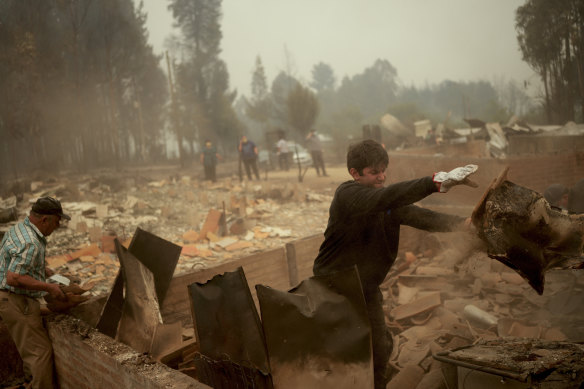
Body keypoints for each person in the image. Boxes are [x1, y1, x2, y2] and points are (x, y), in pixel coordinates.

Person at [312, 140, 478, 389]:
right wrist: (434, 182)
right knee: (341, 353)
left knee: (380, 348)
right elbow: (386, 196)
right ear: (354, 174)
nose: (382, 176)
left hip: (365, 288)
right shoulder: (347, 195)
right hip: (333, 289)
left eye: (383, 169)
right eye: (374, 172)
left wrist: (463, 225)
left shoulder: (387, 205)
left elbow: (420, 216)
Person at [0, 197, 70, 389]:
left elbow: (13, 259)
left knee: (31, 351)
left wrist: (42, 269)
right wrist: (49, 287)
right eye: (56, 222)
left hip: (8, 297)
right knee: (40, 353)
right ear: (44, 220)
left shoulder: (20, 229)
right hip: (15, 300)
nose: (56, 227)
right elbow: (13, 277)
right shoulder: (31, 242)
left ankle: (30, 384)